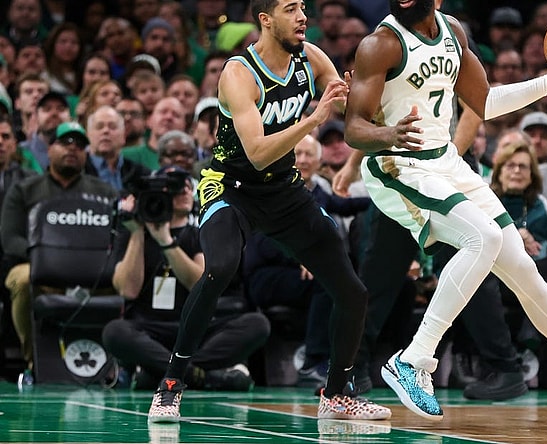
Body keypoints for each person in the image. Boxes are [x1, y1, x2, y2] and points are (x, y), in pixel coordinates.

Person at [344, 0, 547, 426]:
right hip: (397, 163)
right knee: (482, 237)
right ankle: (414, 359)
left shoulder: (453, 33)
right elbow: (354, 126)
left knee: (524, 268)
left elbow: (485, 102)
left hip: (444, 161)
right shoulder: (380, 44)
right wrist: (387, 132)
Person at [146, 0, 391, 423]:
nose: (302, 17)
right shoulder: (239, 74)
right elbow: (258, 154)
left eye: (303, 8)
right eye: (291, 8)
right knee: (220, 268)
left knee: (353, 291)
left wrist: (367, 108)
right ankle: (171, 384)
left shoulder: (310, 57)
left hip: (283, 189)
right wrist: (314, 119)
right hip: (231, 186)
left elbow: (349, 106)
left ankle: (336, 395)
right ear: (265, 19)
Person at [104, 166, 268, 391]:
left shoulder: (198, 232)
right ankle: (202, 375)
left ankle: (164, 371)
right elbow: (128, 290)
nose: (185, 191)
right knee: (115, 332)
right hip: (148, 328)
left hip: (194, 328)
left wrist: (165, 241)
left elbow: (199, 284)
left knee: (257, 324)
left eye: (190, 187)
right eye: (176, 186)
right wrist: (138, 233)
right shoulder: (132, 231)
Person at [1, 121, 117, 381]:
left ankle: (116, 366)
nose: (72, 149)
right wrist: (50, 261)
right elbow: (10, 239)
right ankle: (33, 364)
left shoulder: (104, 192)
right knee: (20, 279)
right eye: (65, 142)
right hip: (40, 272)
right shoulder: (24, 190)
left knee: (128, 279)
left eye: (79, 145)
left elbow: (118, 236)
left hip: (93, 273)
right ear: (49, 148)